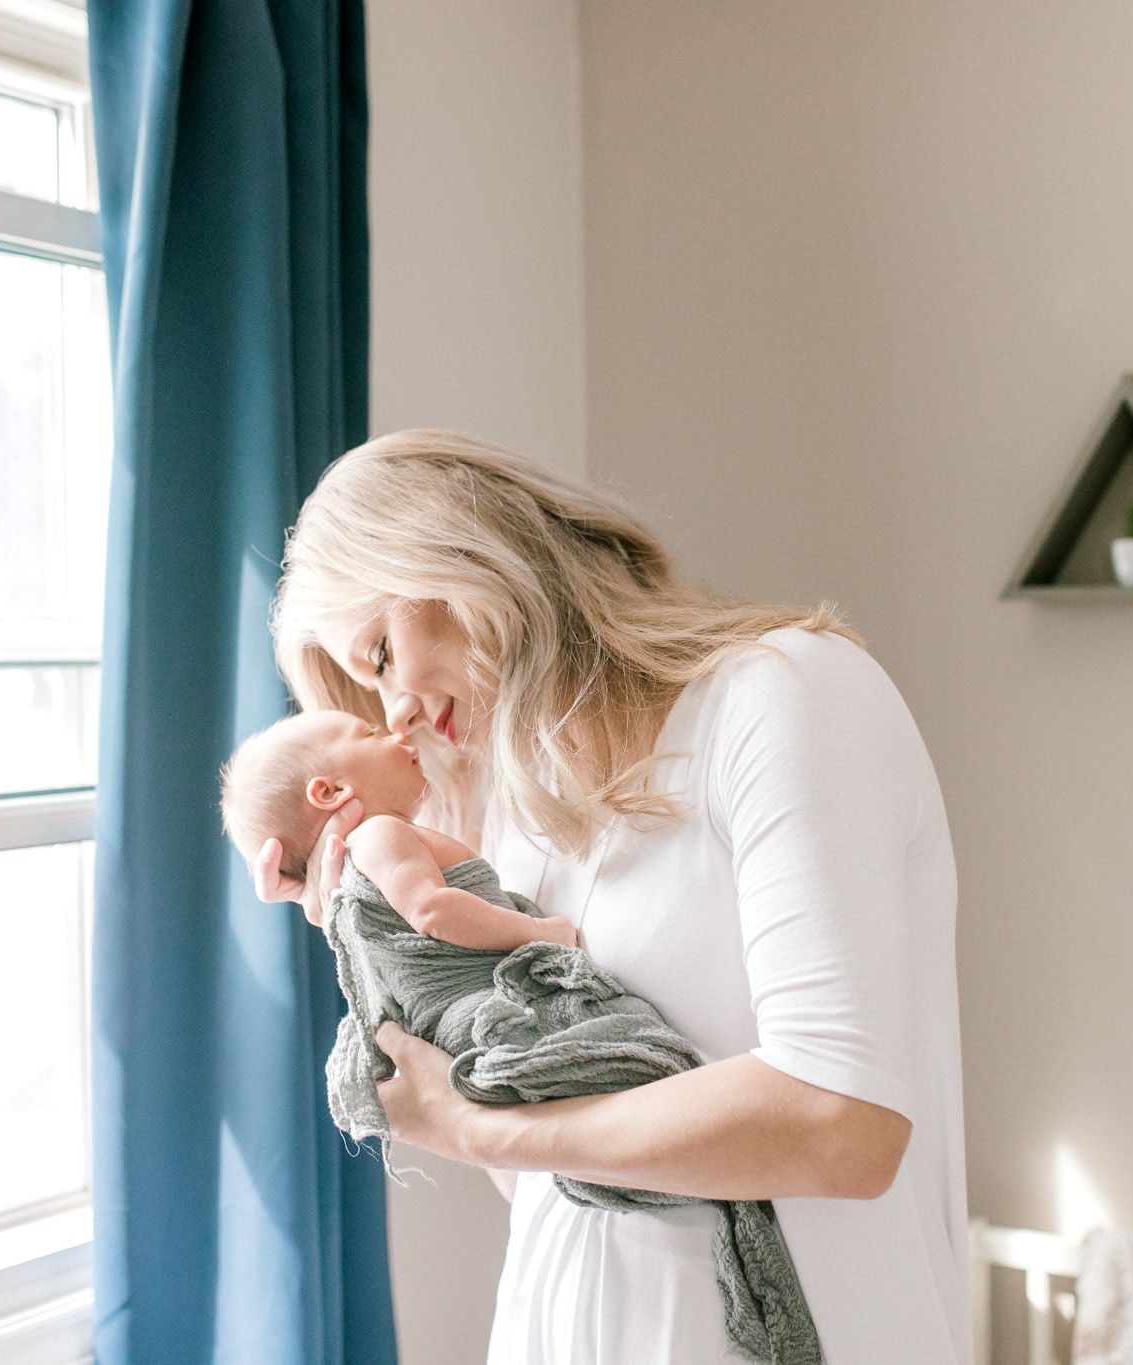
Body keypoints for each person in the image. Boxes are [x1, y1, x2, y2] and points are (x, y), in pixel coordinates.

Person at [252, 430, 970, 1365]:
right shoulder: (514, 811)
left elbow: (843, 1126)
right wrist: (383, 943)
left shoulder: (784, 696)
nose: (395, 714)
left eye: (381, 653)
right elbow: (552, 1169)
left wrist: (471, 1128)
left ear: (460, 556)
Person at [218, 708, 579, 950]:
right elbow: (432, 911)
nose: (396, 734)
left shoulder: (365, 862)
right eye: (370, 734)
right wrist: (539, 934)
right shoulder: (378, 835)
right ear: (331, 791)